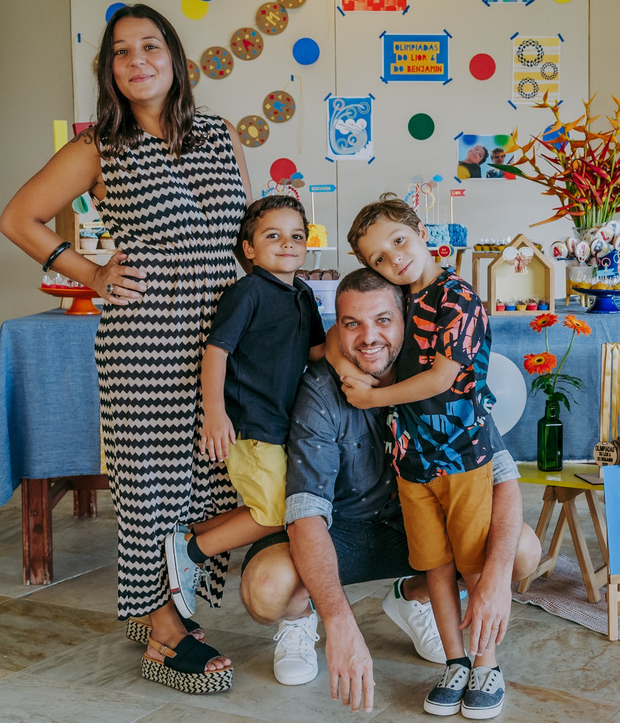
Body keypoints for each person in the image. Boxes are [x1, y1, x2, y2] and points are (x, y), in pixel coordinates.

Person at [0, 3, 252, 695]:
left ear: (174, 58)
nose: (137, 60)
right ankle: (164, 632)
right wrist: (92, 274)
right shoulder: (97, 149)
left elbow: (247, 239)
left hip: (220, 339)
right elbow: (17, 217)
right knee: (149, 488)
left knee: (211, 479)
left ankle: (164, 601)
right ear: (108, 70)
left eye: (150, 46)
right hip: (144, 342)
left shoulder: (219, 135)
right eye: (121, 51)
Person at [237, 268, 540, 711]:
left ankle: (413, 597)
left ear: (407, 321)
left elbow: (501, 478)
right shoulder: (321, 390)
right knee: (266, 588)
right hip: (343, 533)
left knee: (520, 550)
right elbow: (305, 515)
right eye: (351, 323)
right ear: (335, 328)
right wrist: (340, 620)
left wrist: (493, 579)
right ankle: (300, 619)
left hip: (416, 528)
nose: (367, 337)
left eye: (383, 320)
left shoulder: (441, 379)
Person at [341, 195, 506, 719]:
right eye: (378, 259)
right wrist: (339, 363)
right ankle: (455, 661)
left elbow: (442, 377)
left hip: (463, 459)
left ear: (418, 229)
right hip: (411, 465)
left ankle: (487, 664)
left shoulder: (457, 296)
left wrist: (370, 397)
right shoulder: (399, 297)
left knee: (474, 567)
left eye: (398, 242)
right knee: (434, 564)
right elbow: (356, 336)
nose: (393, 260)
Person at [163, 195, 326, 620]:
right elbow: (217, 350)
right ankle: (194, 549)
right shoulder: (248, 291)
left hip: (287, 425)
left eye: (296, 236)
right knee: (277, 512)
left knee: (284, 505)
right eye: (273, 235)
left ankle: (192, 534)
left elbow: (316, 352)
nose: (287, 244)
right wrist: (214, 413)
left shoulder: (303, 294)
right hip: (252, 426)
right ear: (249, 249)